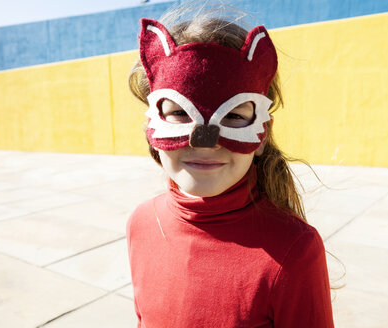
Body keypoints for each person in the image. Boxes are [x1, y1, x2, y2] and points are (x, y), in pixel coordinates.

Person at [126, 5, 334, 327]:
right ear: (152, 127)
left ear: (263, 134)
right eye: (180, 112)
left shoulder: (294, 251)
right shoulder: (140, 224)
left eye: (234, 116)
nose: (205, 141)